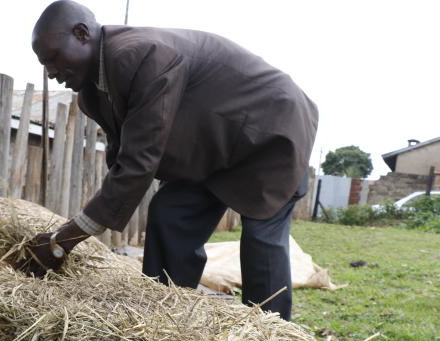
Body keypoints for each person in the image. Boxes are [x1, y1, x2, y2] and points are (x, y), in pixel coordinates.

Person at [27, 0, 318, 321]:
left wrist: (64, 240)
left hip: (269, 128)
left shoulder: (140, 55)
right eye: (44, 63)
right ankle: (164, 322)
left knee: (261, 239)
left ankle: (269, 339)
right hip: (213, 149)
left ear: (82, 34)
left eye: (53, 58)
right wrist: (80, 225)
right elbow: (122, 160)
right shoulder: (93, 95)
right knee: (170, 213)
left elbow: (138, 163)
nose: (50, 72)